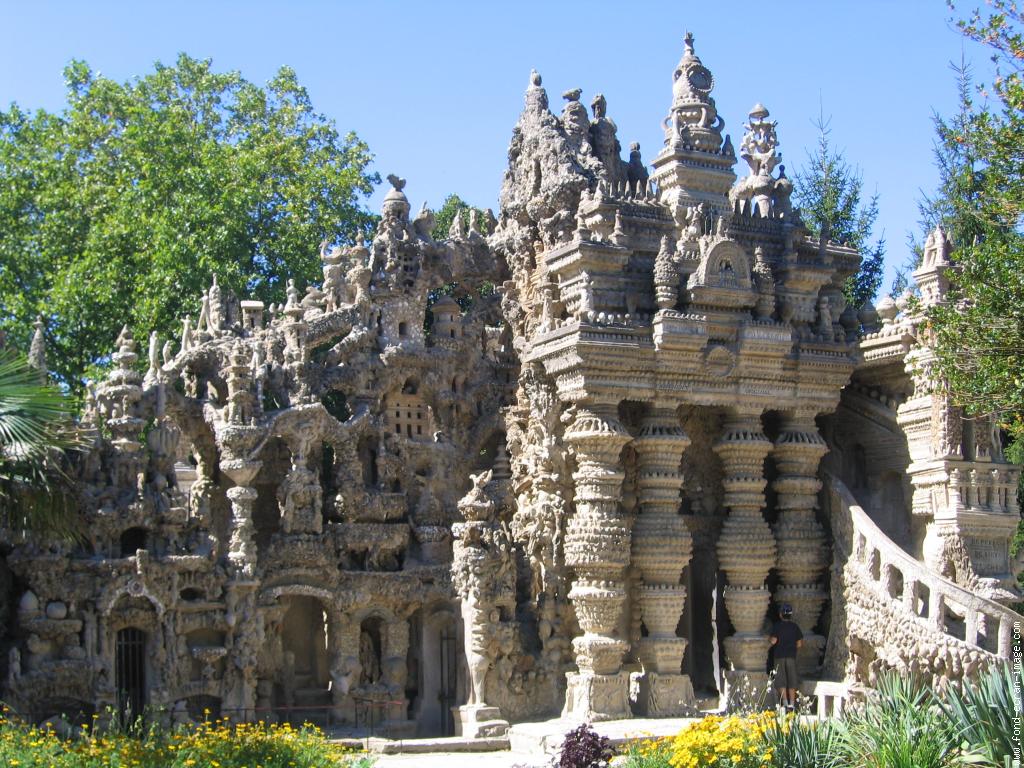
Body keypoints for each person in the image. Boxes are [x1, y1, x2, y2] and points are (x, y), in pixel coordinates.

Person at [770, 603, 803, 712]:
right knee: (792, 680)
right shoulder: (795, 627)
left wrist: (769, 640)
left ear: (780, 615)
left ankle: (785, 703)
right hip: (791, 657)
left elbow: (773, 641)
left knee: (781, 680)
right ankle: (792, 704)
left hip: (779, 656)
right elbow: (799, 644)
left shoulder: (777, 626)